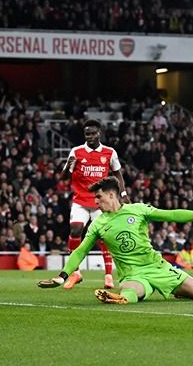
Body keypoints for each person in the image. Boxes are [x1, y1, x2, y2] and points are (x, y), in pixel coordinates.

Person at [37, 176, 193, 305]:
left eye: (99, 197)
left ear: (112, 195)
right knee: (130, 293)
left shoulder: (138, 209)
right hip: (132, 274)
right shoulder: (98, 224)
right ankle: (118, 297)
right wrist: (62, 276)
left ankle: (169, 288)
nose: (96, 202)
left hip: (157, 267)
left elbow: (170, 214)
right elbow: (80, 251)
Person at [61, 119, 130, 290]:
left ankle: (108, 275)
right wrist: (66, 168)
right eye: (87, 134)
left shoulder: (109, 152)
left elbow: (118, 175)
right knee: (75, 229)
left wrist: (123, 194)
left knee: (104, 235)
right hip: (81, 200)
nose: (90, 136)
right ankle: (76, 272)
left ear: (100, 133)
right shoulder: (76, 152)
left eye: (93, 133)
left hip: (101, 201)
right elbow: (64, 177)